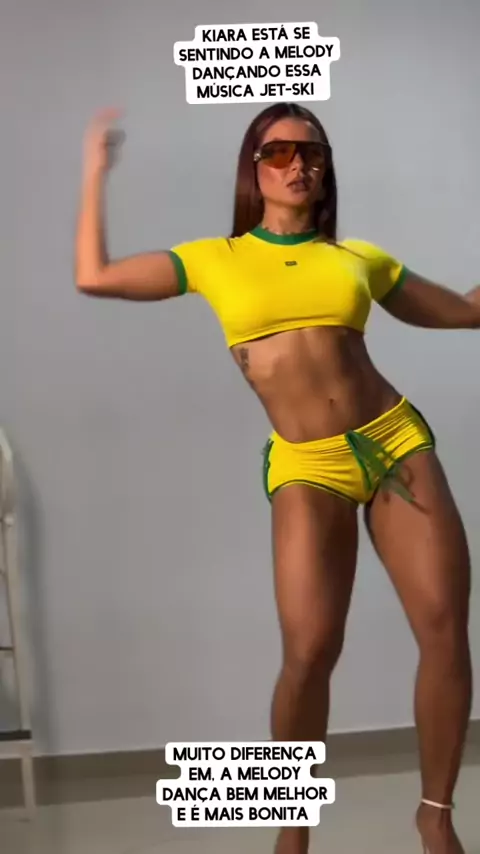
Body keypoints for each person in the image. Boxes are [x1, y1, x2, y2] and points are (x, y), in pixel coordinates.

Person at [75, 102, 475, 854]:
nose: (298, 164)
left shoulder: (358, 258)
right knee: (310, 653)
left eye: (312, 153)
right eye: (280, 151)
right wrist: (95, 171)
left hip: (395, 444)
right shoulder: (215, 258)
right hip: (306, 464)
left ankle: (435, 814)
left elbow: (464, 312)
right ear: (252, 167)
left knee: (445, 628)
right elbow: (93, 276)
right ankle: (293, 829)